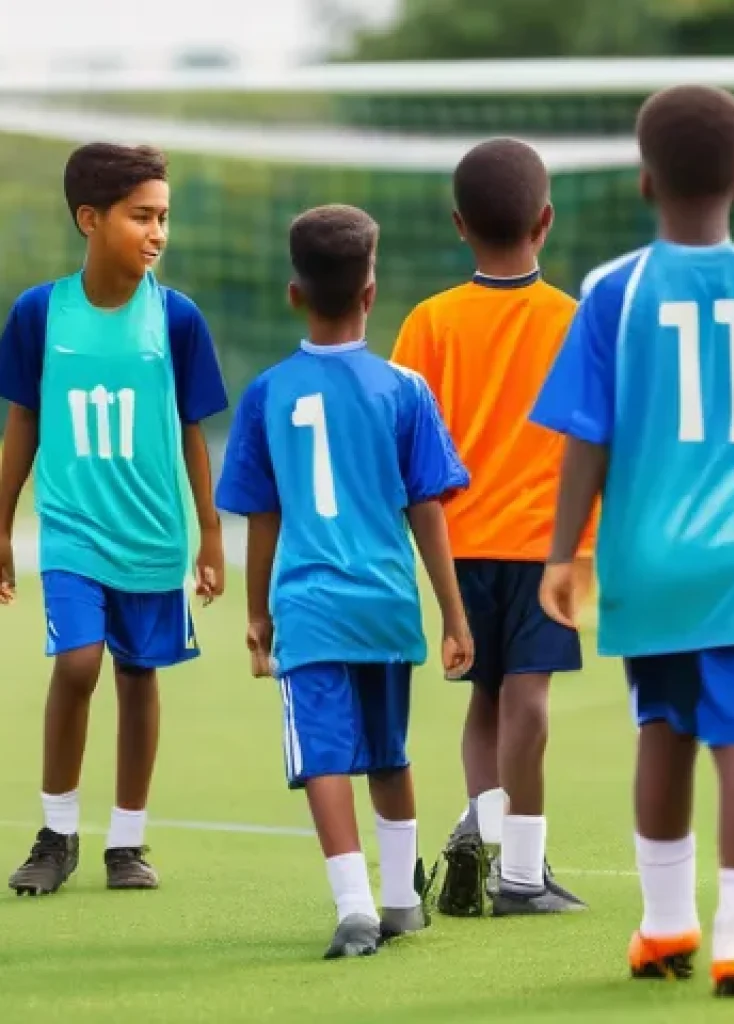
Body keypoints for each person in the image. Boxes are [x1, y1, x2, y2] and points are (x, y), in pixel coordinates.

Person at [531, 86, 734, 996]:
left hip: (649, 556)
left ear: (643, 181)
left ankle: (666, 927)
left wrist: (561, 552)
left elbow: (586, 434)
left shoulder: (611, 290)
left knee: (661, 734)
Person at [215, 204, 474, 958]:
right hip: (387, 603)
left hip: (311, 606)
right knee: (389, 753)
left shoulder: (268, 394)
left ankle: (354, 907)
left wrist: (258, 612)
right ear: (371, 292)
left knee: (323, 756)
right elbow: (428, 512)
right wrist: (453, 617)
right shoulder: (406, 389)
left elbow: (261, 515)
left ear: (295, 293)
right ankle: (400, 903)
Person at [1, 143, 227, 897]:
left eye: (163, 216)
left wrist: (211, 534)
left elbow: (194, 429)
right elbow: (23, 424)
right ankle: (57, 833)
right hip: (70, 531)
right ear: (89, 220)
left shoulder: (177, 317)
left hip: (154, 536)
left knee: (138, 675)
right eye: (141, 216)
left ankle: (126, 842)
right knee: (77, 664)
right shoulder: (40, 312)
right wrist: (2, 527)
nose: (157, 231)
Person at [392, 138, 593, 918]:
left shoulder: (428, 322)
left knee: (486, 702)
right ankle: (520, 874)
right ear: (545, 220)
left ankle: (483, 828)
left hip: (457, 548)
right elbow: (596, 442)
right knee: (528, 703)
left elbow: (404, 445)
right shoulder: (576, 320)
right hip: (545, 550)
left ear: (457, 224)